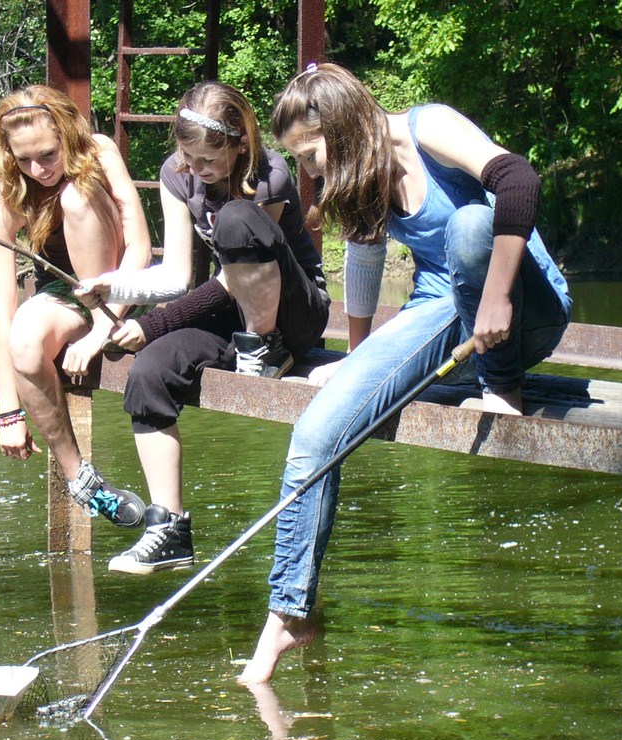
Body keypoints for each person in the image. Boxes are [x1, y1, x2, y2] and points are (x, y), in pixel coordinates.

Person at [238, 63, 571, 683]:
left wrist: (497, 295)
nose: (306, 170)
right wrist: (356, 363)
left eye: (308, 153)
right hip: (444, 307)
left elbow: (519, 178)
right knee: (315, 433)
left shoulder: (427, 127)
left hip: (522, 303)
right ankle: (288, 615)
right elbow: (363, 264)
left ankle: (503, 389)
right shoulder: (363, 175)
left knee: (471, 224)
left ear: (337, 127)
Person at [76, 81, 332, 574]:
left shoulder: (269, 177)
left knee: (236, 219)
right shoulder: (178, 175)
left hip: (295, 313)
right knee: (150, 372)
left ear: (240, 144)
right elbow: (175, 275)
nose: (195, 170)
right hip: (229, 316)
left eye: (207, 161)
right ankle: (169, 528)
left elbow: (232, 282)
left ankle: (266, 350)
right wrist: (114, 288)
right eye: (187, 157)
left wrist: (154, 325)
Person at [0, 84, 151, 528]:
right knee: (23, 341)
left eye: (48, 155)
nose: (38, 169)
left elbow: (140, 247)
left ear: (66, 137)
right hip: (66, 295)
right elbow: (3, 313)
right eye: (23, 159)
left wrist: (104, 325)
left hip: (122, 290)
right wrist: (8, 412)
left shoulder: (100, 151)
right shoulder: (5, 197)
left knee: (76, 198)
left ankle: (104, 320)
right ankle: (81, 479)